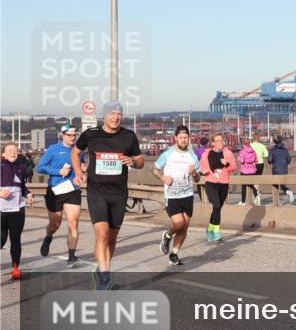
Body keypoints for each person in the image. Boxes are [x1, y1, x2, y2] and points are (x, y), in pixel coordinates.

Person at [72, 100, 144, 290]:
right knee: (102, 234)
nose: (116, 117)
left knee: (111, 238)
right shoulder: (91, 134)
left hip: (119, 193)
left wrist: (133, 161)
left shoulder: (129, 136)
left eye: (119, 113)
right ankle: (105, 279)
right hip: (97, 191)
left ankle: (100, 271)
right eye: (112, 113)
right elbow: (75, 152)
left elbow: (140, 160)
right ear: (104, 116)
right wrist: (78, 171)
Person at [152, 125, 201, 265]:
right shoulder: (168, 153)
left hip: (187, 194)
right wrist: (163, 178)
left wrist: (194, 173)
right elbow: (154, 169)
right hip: (172, 195)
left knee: (185, 226)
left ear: (189, 139)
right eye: (181, 138)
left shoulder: (193, 155)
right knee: (178, 223)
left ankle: (174, 254)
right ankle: (167, 235)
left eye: (186, 138)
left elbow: (197, 179)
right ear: (176, 138)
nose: (183, 140)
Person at [37, 124, 83, 266]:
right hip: (55, 191)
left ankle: (71, 257)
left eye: (75, 134)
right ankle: (48, 237)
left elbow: (81, 165)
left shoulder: (79, 151)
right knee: (55, 224)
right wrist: (58, 172)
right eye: (69, 135)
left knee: (73, 222)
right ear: (62, 135)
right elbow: (40, 167)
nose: (73, 137)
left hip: (72, 190)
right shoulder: (53, 150)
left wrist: (82, 171)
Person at [1, 142, 34, 280]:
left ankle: (15, 268)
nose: (13, 152)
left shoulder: (22, 168)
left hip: (17, 209)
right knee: (2, 238)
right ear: (3, 154)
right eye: (9, 150)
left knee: (15, 239)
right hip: (1, 210)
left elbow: (22, 187)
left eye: (15, 150)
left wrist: (29, 194)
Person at [199, 133, 236, 242]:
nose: (220, 142)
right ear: (213, 143)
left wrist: (227, 164)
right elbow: (201, 165)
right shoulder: (207, 154)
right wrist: (205, 171)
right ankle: (216, 232)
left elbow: (233, 166)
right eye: (217, 141)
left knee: (218, 207)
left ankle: (210, 229)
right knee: (216, 205)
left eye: (221, 140)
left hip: (224, 183)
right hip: (211, 182)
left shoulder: (228, 153)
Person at [268, 136, 294, 205]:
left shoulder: (273, 150)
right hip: (284, 170)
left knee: (275, 186)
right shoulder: (285, 150)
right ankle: (288, 192)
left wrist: (271, 161)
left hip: (276, 170)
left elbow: (269, 160)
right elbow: (289, 160)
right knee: (283, 186)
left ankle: (276, 202)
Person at [237, 139, 259, 206]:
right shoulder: (253, 151)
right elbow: (256, 160)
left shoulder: (242, 151)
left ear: (244, 144)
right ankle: (257, 196)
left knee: (243, 187)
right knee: (252, 185)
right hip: (252, 169)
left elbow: (242, 161)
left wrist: (239, 159)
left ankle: (243, 201)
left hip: (244, 170)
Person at [250, 134, 269, 205]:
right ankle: (257, 195)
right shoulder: (262, 146)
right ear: (259, 138)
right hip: (261, 163)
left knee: (252, 180)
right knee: (257, 180)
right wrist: (261, 156)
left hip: (252, 164)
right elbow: (267, 155)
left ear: (253, 138)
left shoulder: (250, 145)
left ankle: (256, 196)